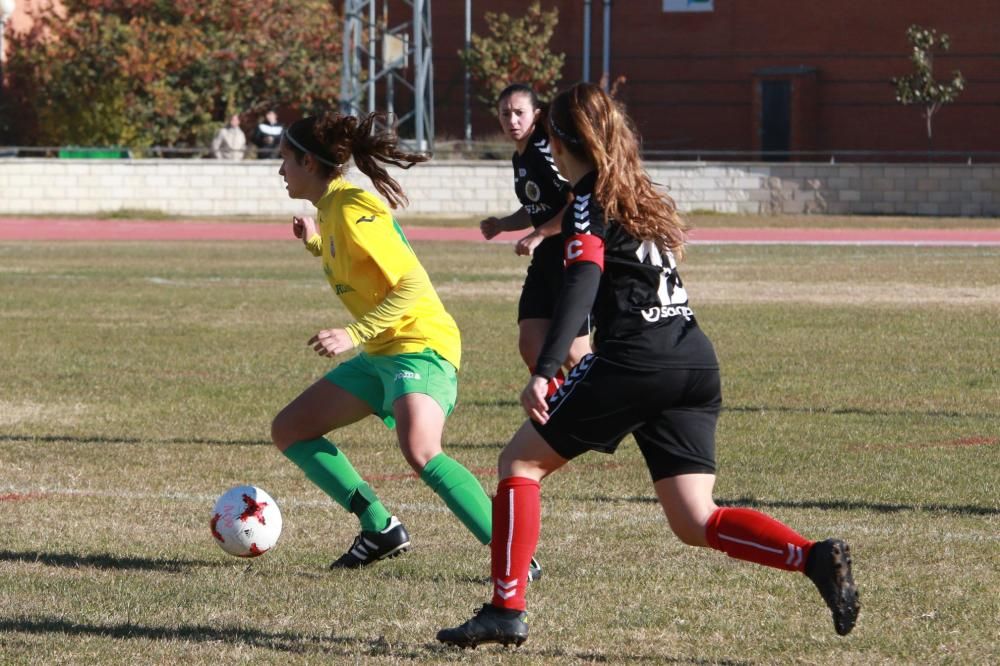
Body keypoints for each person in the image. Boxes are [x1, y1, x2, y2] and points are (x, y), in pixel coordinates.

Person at [436, 83, 860, 648]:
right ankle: (811, 557)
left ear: (562, 142)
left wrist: (542, 370)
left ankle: (505, 609)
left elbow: (582, 283)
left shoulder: (587, 201)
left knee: (519, 463)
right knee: (694, 519)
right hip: (693, 359)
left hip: (636, 359)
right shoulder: (638, 193)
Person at [272, 110, 541, 579]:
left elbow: (413, 284)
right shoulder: (331, 208)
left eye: (285, 161)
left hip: (419, 344)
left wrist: (351, 333)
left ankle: (514, 556)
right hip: (382, 352)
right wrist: (316, 243)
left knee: (421, 449)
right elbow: (357, 263)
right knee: (291, 429)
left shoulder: (353, 206)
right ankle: (379, 528)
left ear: (310, 164)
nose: (280, 171)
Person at [479, 84, 591, 397]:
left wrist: (540, 233)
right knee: (531, 343)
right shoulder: (521, 157)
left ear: (536, 115)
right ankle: (556, 410)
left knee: (574, 353)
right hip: (545, 260)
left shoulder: (545, 149)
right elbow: (537, 206)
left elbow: (578, 198)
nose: (512, 120)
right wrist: (503, 224)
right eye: (505, 113)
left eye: (519, 113)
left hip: (571, 254)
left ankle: (602, 404)